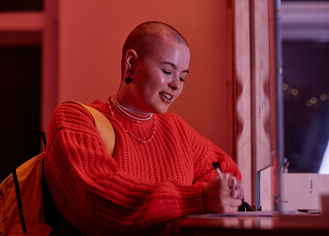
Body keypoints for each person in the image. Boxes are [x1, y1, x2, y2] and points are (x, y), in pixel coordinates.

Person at [43, 21, 243, 235]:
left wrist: (219, 194)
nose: (176, 84)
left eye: (183, 76)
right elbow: (98, 197)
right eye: (167, 70)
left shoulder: (177, 129)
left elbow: (227, 171)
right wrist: (196, 198)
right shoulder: (75, 119)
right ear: (131, 63)